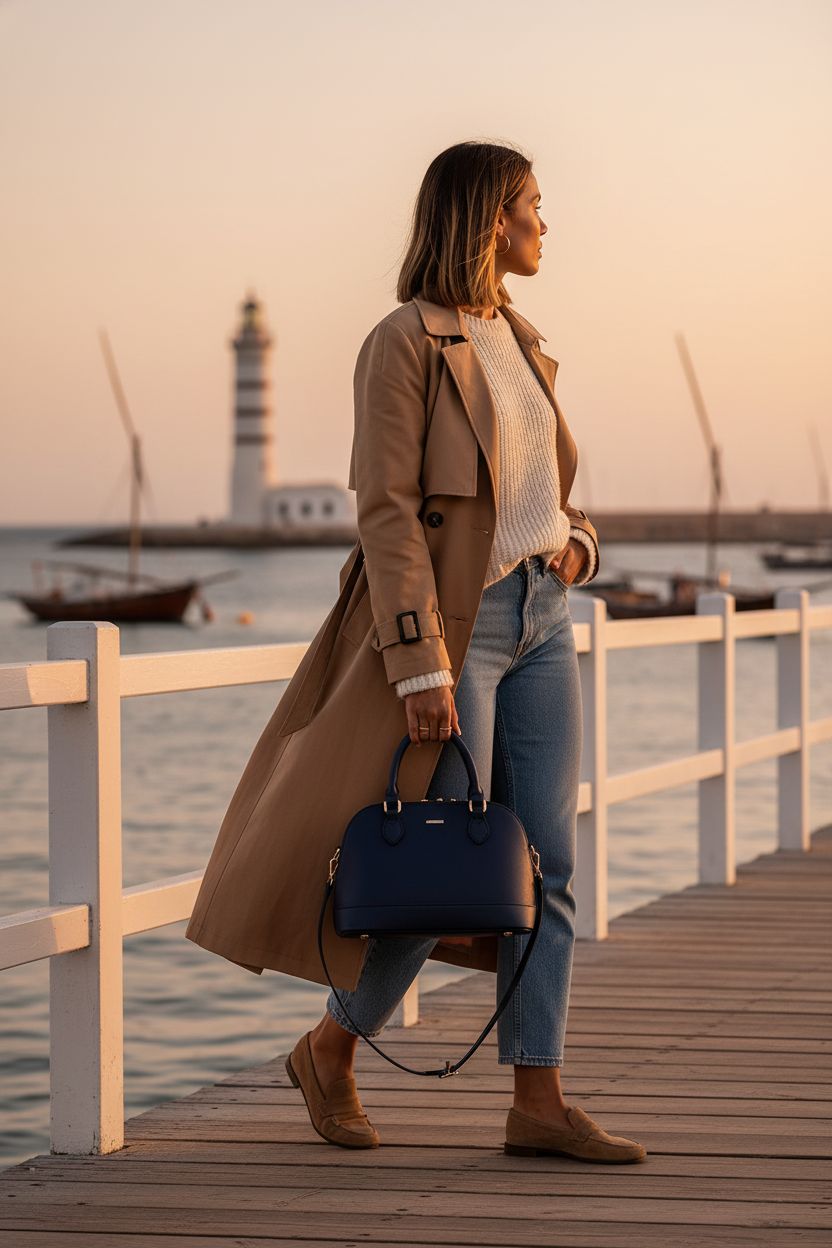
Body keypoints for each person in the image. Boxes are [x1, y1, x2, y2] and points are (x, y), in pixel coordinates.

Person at [285, 140, 647, 1164]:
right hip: (460, 630)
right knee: (446, 864)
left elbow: (539, 493)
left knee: (551, 866)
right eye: (534, 203)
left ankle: (538, 1099)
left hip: (544, 618)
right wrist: (421, 666)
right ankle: (330, 1046)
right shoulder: (403, 342)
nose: (545, 223)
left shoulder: (520, 338)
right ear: (492, 217)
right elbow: (388, 514)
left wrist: (578, 545)